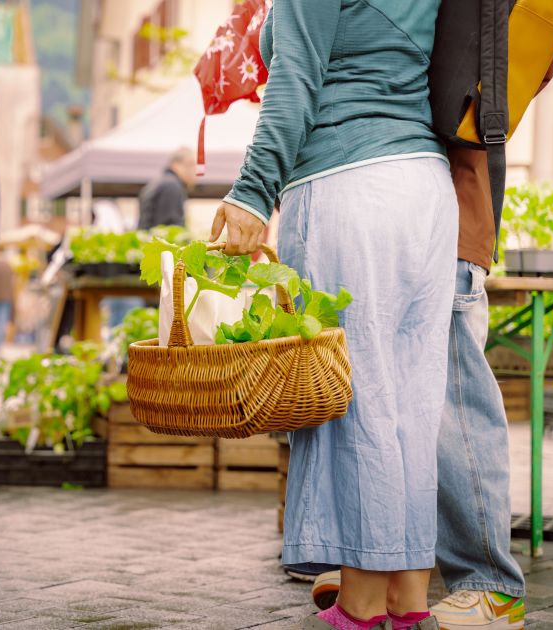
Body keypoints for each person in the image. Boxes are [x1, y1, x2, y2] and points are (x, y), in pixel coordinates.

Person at [212, 2, 456, 629]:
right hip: (426, 189)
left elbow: (295, 79)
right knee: (411, 403)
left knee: (359, 401)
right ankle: (405, 597)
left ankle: (361, 604)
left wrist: (251, 192)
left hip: (350, 183)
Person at [304, 61, 553, 630]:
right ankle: (377, 561)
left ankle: (489, 584)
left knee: (452, 396)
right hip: (393, 208)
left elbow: (527, 63)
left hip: (448, 208)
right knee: (378, 394)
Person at [137, 147, 196, 230]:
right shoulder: (172, 186)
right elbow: (172, 227)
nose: (195, 171)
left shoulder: (157, 182)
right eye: (191, 164)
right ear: (176, 164)